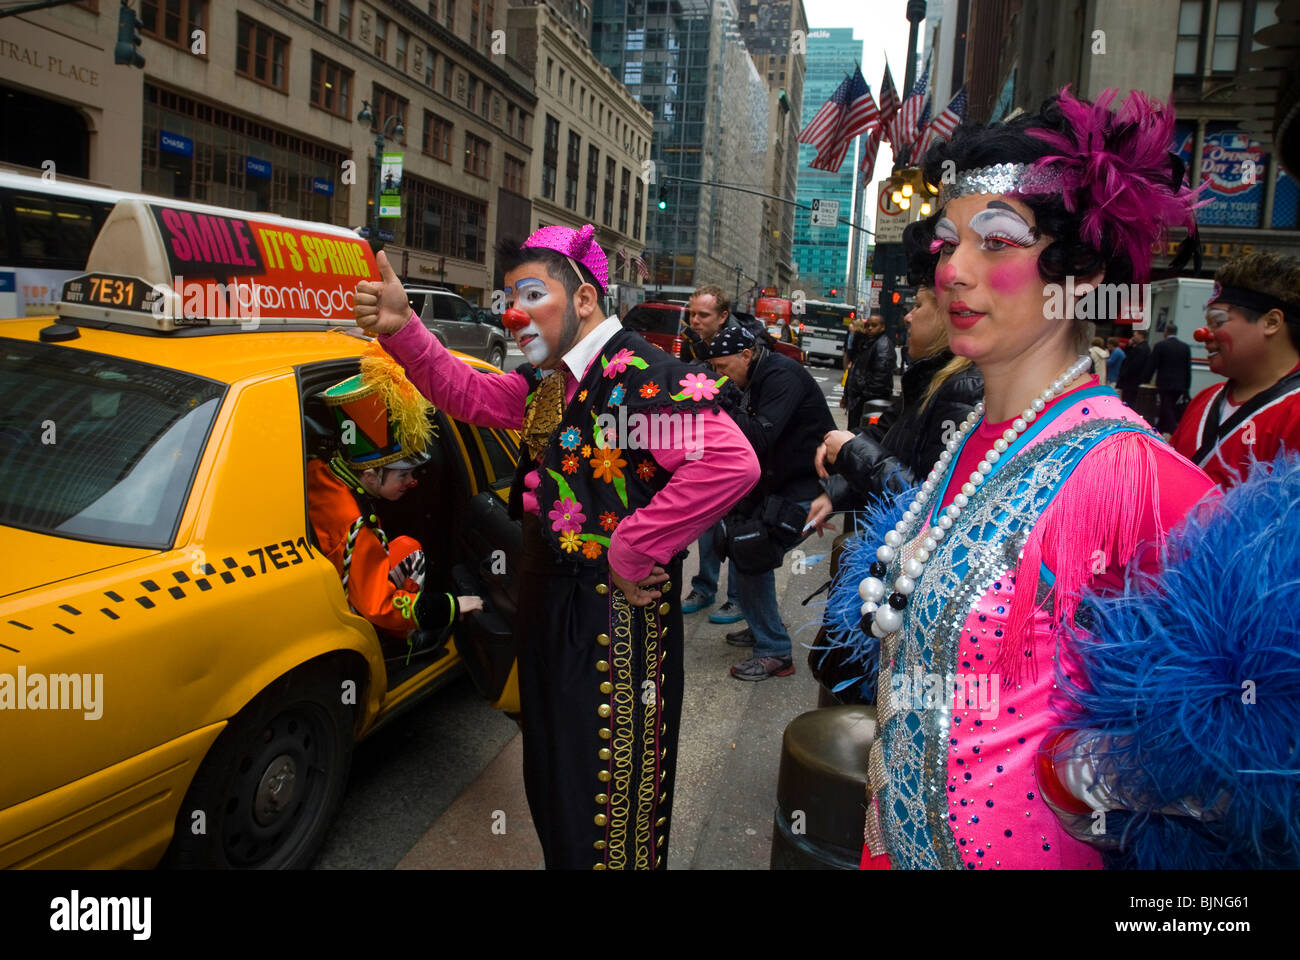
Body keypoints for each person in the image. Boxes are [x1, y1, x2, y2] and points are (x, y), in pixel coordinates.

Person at [824, 88, 1223, 869]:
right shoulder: (965, 438)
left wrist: (1092, 778)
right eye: (947, 242)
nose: (954, 270)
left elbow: (1244, 743)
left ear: (1080, 275)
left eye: (998, 242)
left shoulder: (1137, 478)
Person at [353, 223, 759, 870]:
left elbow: (728, 462)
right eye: (508, 297)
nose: (513, 313)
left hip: (609, 626)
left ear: (587, 299)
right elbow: (470, 394)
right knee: (555, 795)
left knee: (604, 816)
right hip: (551, 610)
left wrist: (633, 549)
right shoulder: (555, 386)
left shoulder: (637, 375)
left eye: (533, 294)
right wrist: (404, 328)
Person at [308, 341, 482, 653]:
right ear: (372, 476)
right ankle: (400, 644)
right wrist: (453, 605)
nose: (413, 482)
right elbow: (382, 606)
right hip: (356, 603)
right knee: (411, 553)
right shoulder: (356, 528)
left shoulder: (323, 469)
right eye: (403, 474)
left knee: (406, 546)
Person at [808, 223, 984, 530]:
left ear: (947, 316)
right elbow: (892, 442)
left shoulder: (964, 390)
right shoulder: (932, 380)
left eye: (917, 306)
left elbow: (929, 506)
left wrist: (850, 451)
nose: (907, 316)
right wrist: (836, 493)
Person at [706, 324, 835, 679]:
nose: (720, 376)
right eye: (714, 369)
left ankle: (775, 651)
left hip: (809, 485)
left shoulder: (781, 375)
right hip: (779, 481)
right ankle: (762, 624)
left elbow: (760, 436)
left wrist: (724, 400)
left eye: (723, 367)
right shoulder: (755, 375)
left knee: (753, 549)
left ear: (746, 355)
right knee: (739, 541)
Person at [1171, 252, 1300, 488]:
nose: (1202, 334)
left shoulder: (1295, 413)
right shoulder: (1205, 399)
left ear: (1271, 322)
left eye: (1218, 321)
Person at [679, 284, 747, 623]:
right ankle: (704, 587)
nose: (695, 320)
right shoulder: (691, 340)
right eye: (692, 313)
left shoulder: (743, 343)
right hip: (702, 436)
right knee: (705, 516)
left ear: (722, 316)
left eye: (702, 315)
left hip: (735, 442)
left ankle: (737, 597)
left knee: (734, 522)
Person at [842, 311, 894, 430]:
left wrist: (863, 396)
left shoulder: (882, 346)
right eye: (868, 325)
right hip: (860, 400)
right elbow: (855, 370)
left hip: (867, 402)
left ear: (882, 327)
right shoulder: (867, 343)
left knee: (861, 432)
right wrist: (847, 395)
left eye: (874, 325)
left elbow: (881, 377)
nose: (870, 328)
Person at [1142, 324, 1192, 434]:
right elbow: (1187, 368)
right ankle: (1160, 429)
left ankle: (1175, 432)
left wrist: (1145, 379)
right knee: (1168, 406)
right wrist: (1187, 387)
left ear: (1166, 332)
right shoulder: (1185, 347)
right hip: (1180, 384)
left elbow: (1152, 364)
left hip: (1164, 383)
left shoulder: (1160, 345)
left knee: (1166, 407)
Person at [1115, 327, 1149, 408]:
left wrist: (1124, 374)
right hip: (1131, 381)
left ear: (1141, 335)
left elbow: (1133, 365)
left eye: (1135, 335)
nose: (1133, 337)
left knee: (1129, 401)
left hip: (1131, 381)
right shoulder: (1139, 347)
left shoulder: (1141, 349)